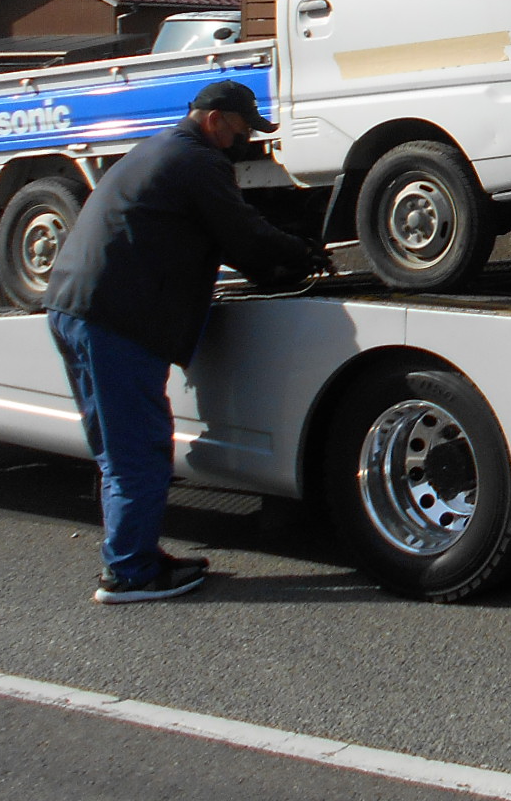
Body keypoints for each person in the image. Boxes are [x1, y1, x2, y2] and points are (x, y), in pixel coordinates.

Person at [45, 79, 327, 604]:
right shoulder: (198, 161)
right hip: (116, 320)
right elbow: (240, 235)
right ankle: (129, 574)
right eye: (241, 131)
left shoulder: (158, 148)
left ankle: (135, 554)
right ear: (215, 119)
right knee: (141, 450)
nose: (242, 143)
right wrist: (302, 252)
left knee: (114, 447)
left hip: (74, 306)